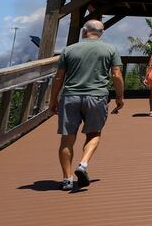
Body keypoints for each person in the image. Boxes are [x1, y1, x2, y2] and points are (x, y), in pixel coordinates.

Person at [47, 20, 124, 190]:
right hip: (96, 97)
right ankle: (83, 164)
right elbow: (116, 74)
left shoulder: (69, 50)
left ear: (84, 32)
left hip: (70, 97)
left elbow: (58, 77)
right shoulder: (110, 49)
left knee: (67, 139)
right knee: (94, 133)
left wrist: (53, 101)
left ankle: (67, 179)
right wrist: (119, 97)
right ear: (101, 33)